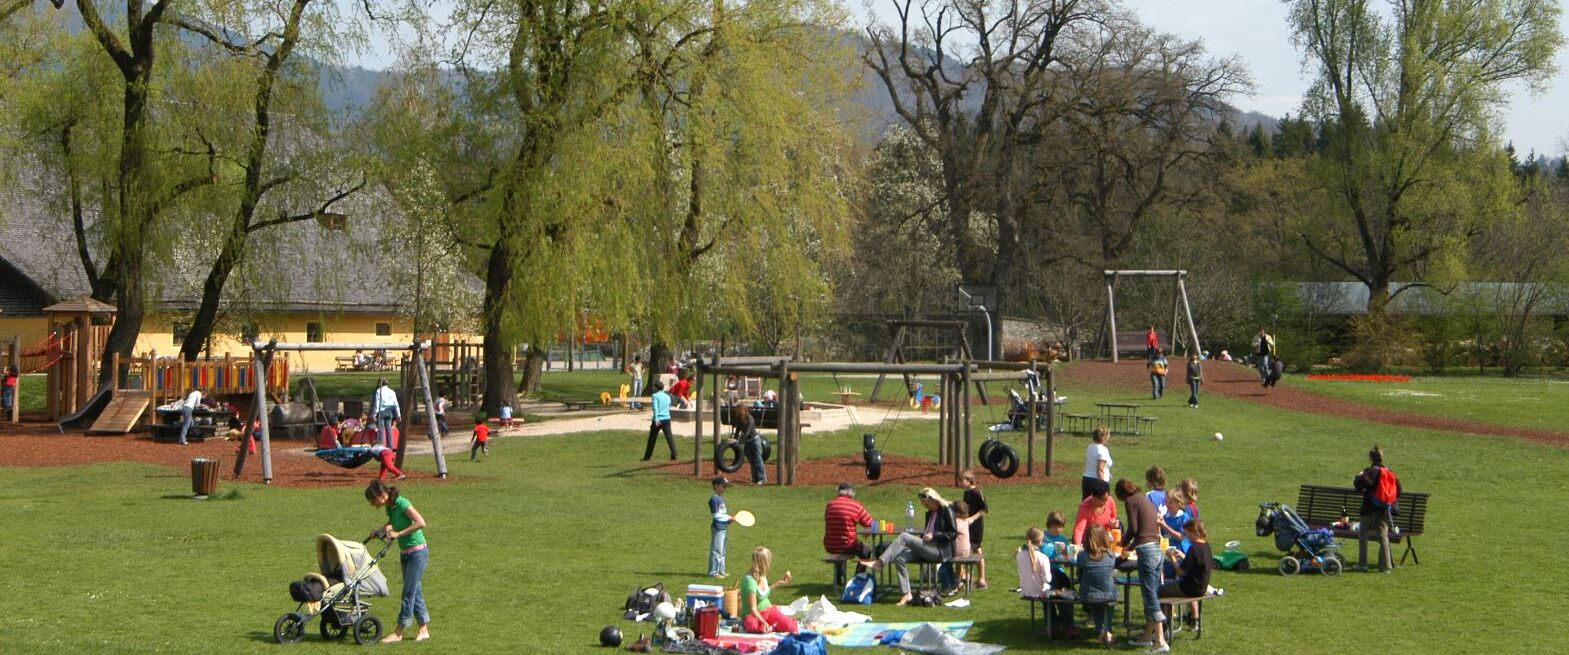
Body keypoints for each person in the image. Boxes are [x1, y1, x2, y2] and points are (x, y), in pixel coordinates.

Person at [858, 488, 957, 606]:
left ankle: (880, 562)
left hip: (939, 551)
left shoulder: (947, 510)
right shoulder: (931, 513)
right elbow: (929, 530)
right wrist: (923, 536)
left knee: (904, 536)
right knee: (899, 557)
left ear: (933, 499)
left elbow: (953, 533)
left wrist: (934, 535)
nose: (925, 507)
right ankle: (906, 594)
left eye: (926, 504)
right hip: (927, 547)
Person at [365, 480, 430, 643]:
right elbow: (392, 523)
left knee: (408, 593)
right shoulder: (390, 506)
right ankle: (424, 630)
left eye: (373, 501)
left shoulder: (402, 503)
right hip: (405, 553)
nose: (373, 505)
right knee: (416, 591)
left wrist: (399, 534)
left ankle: (399, 632)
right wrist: (379, 531)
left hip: (418, 553)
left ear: (382, 495)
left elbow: (421, 522)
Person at [1116, 478, 1169, 653]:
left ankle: (1159, 639)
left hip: (1146, 553)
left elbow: (1133, 528)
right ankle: (1147, 635)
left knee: (1149, 596)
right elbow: (1144, 532)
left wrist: (1122, 544)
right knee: (1152, 592)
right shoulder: (1146, 501)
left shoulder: (1131, 501)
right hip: (1156, 550)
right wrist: (1131, 546)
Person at [1353, 445, 1401, 573]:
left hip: (1368, 509)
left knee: (1363, 536)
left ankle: (1363, 564)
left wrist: (1358, 476)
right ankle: (1386, 567)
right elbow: (1399, 490)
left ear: (1371, 458)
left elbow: (1358, 486)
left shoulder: (1369, 471)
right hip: (1384, 510)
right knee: (1383, 537)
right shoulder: (1389, 472)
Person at [1159, 519, 1214, 630]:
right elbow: (1196, 563)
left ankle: (1163, 624)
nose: (1186, 537)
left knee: (1160, 590)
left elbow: (1181, 571)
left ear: (1192, 532)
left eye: (1186, 533)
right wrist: (1183, 555)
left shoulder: (1194, 548)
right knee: (1168, 586)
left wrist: (1172, 558)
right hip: (1201, 586)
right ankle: (1172, 622)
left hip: (1189, 588)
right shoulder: (1206, 546)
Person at [823, 482, 875, 587]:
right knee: (866, 551)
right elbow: (871, 523)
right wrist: (868, 529)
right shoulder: (855, 506)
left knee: (840, 546)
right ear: (851, 493)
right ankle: (858, 577)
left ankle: (839, 574)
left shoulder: (830, 505)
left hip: (830, 545)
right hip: (847, 545)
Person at [1077, 524, 1119, 647]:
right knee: (1109, 590)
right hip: (1109, 594)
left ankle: (1101, 631)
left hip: (1088, 595)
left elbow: (1079, 576)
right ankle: (1107, 630)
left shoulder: (1082, 556)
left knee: (1096, 597)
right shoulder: (1111, 556)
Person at [739, 547, 797, 634]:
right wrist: (763, 621)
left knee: (791, 626)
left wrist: (779, 583)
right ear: (762, 563)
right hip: (752, 615)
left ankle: (771, 626)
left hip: (768, 610)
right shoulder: (749, 582)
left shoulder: (761, 575)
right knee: (753, 625)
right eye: (768, 561)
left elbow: (762, 594)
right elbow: (753, 609)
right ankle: (771, 625)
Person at [958, 469, 990, 589]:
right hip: (966, 524)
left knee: (970, 550)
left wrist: (972, 519)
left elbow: (984, 509)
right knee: (977, 550)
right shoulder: (966, 493)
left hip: (976, 526)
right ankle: (981, 580)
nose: (960, 483)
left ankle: (969, 577)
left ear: (969, 480)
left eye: (962, 480)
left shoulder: (977, 492)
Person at [1072, 479, 1119, 544]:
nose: (1103, 502)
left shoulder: (1110, 501)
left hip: (1106, 539)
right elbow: (1079, 529)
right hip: (1090, 541)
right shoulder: (1085, 507)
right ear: (1093, 497)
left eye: (1105, 499)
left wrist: (1113, 523)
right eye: (1101, 500)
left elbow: (1113, 517)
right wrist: (1077, 546)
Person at [643, 381, 677, 461]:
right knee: (669, 438)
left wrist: (656, 419)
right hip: (667, 419)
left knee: (652, 439)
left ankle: (647, 457)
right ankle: (674, 454)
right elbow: (668, 406)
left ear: (656, 388)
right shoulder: (667, 396)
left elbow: (655, 408)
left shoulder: (655, 396)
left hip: (658, 420)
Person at [735, 404, 766, 485]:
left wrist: (741, 440)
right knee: (751, 460)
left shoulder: (750, 418)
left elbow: (748, 432)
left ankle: (762, 478)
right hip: (747, 441)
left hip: (754, 440)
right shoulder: (738, 419)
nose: (737, 413)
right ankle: (755, 478)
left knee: (758, 459)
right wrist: (735, 439)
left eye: (739, 411)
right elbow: (738, 429)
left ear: (744, 411)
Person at [708, 477, 732, 578]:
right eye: (723, 486)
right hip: (718, 528)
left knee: (722, 550)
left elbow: (723, 514)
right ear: (716, 486)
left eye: (726, 486)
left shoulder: (721, 499)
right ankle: (714, 572)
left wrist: (729, 520)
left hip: (724, 527)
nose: (725, 488)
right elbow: (717, 515)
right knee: (717, 550)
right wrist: (729, 517)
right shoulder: (714, 499)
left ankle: (721, 571)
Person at [1082, 425, 1113, 499]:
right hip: (1097, 480)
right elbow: (1100, 469)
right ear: (1104, 437)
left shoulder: (1090, 447)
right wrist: (1102, 487)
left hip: (1087, 479)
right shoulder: (1102, 450)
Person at [372, 379, 400, 448]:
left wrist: (374, 414)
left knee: (381, 430)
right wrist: (398, 415)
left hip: (381, 411)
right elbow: (396, 403)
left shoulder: (379, 391)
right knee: (389, 429)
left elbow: (377, 404)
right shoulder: (392, 392)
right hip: (389, 411)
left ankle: (382, 445)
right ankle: (390, 446)